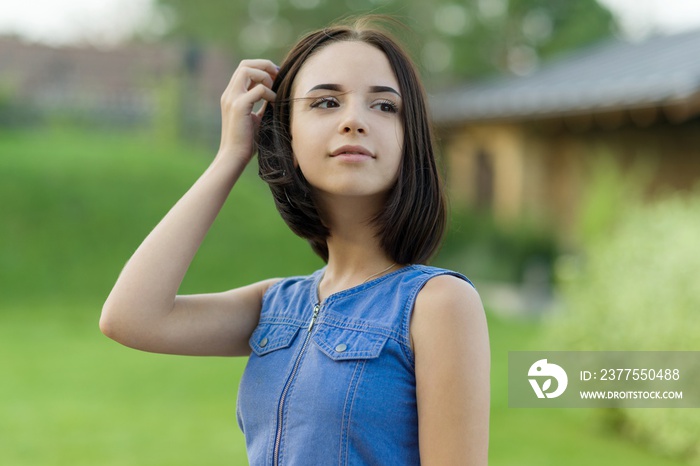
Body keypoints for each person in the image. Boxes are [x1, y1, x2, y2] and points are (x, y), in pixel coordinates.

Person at [100, 16, 490, 466]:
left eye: (384, 106)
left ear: (409, 138)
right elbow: (130, 318)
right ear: (286, 133)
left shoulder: (438, 303)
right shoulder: (275, 305)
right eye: (326, 102)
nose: (354, 121)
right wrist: (231, 156)